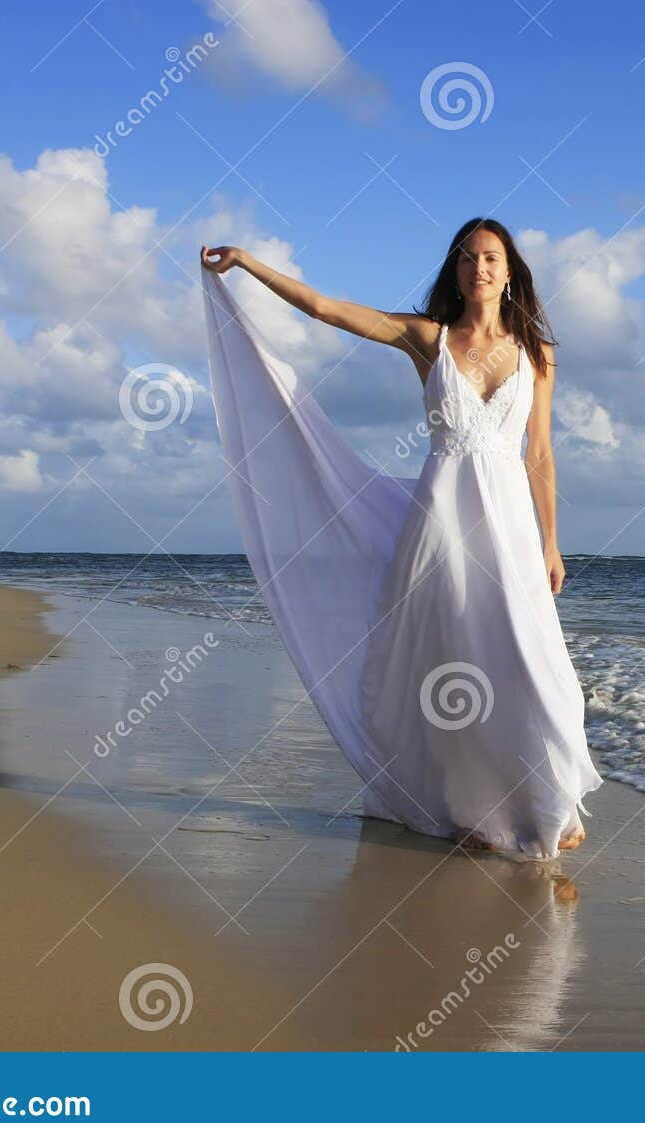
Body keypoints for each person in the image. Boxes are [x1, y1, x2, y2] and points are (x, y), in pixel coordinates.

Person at [199, 218, 602, 860]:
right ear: (456, 270)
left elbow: (541, 455)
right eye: (468, 258)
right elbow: (327, 309)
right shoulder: (428, 339)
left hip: (512, 531)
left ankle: (549, 798)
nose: (480, 268)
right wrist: (248, 264)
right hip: (440, 528)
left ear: (510, 270)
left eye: (492, 258)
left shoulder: (536, 351)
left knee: (535, 664)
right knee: (455, 668)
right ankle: (474, 808)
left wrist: (552, 542)